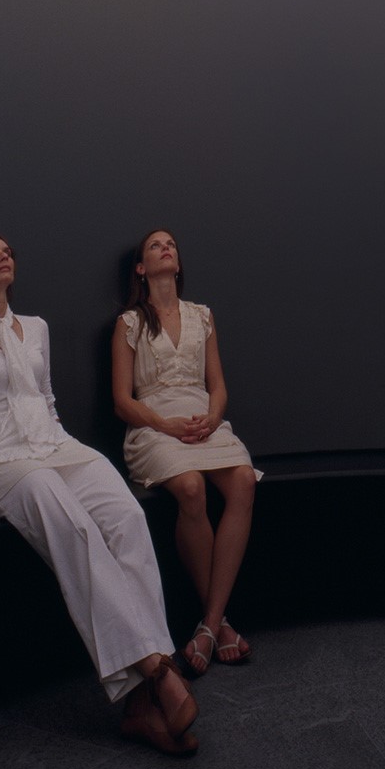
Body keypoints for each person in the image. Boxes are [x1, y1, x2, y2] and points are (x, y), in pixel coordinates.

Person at [0, 231, 198, 756]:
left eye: (7, 251)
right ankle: (157, 668)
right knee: (74, 527)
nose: (5, 256)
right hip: (0, 465)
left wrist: (64, 443)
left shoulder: (37, 329)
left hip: (56, 448)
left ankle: (138, 708)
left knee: (127, 518)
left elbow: (45, 403)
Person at [112, 227, 258, 677]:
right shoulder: (129, 323)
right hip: (154, 426)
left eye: (171, 244)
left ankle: (210, 625)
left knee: (242, 481)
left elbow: (217, 384)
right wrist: (165, 423)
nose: (166, 248)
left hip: (202, 420)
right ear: (141, 267)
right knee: (191, 489)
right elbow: (122, 401)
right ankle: (221, 626)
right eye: (155, 246)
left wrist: (213, 417)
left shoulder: (203, 315)